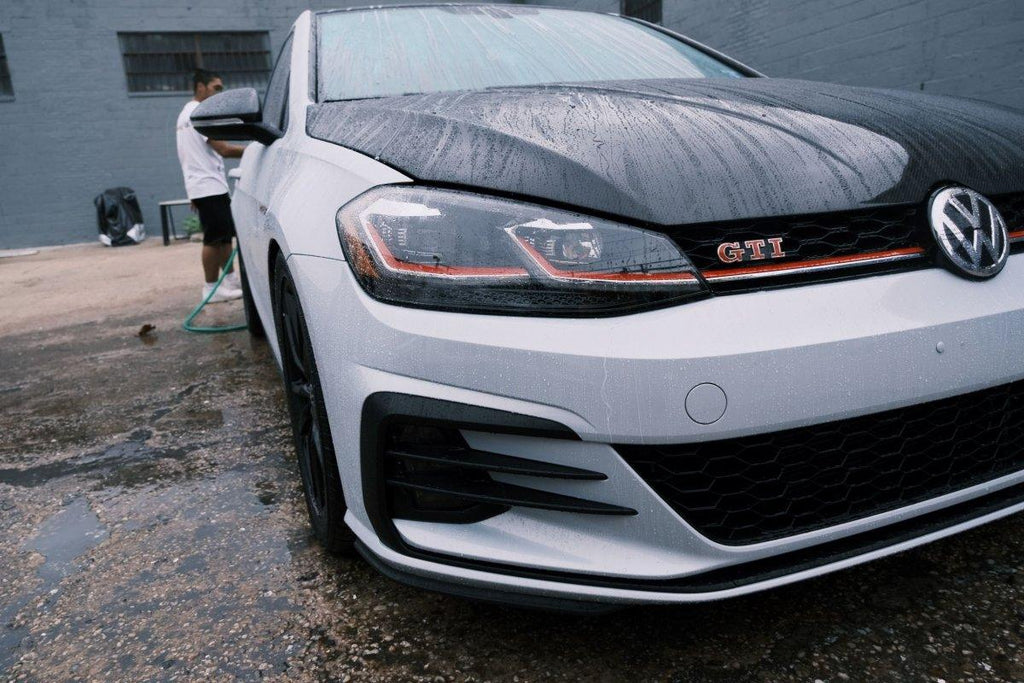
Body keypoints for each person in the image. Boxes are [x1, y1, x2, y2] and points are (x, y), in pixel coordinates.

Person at [175, 69, 247, 303]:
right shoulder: (199, 113)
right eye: (216, 88)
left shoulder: (185, 115)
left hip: (205, 186)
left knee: (224, 237)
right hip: (208, 186)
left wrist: (192, 192)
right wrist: (254, 151)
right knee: (214, 239)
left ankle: (230, 280)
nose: (219, 93)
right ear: (200, 87)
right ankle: (211, 288)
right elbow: (223, 149)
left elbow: (188, 156)